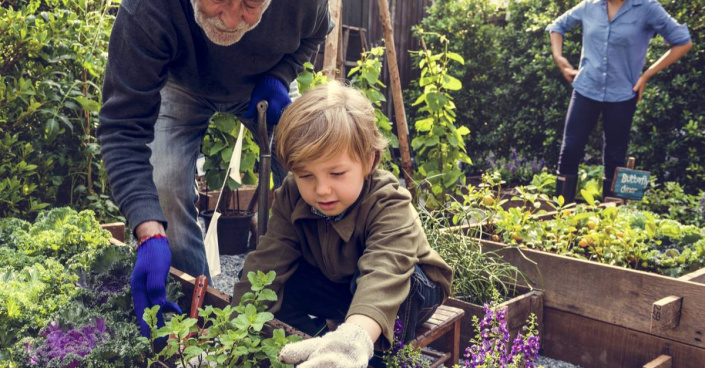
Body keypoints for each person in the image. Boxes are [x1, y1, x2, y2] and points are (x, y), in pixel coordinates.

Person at [97, 0, 332, 338]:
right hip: (182, 85)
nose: (233, 20)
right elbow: (123, 125)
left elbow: (316, 32)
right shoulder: (147, 10)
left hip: (264, 81)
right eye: (221, 0)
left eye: (250, 5)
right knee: (165, 186)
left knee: (314, 170)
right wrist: (147, 229)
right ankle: (200, 318)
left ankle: (316, 303)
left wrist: (279, 77)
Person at [231, 81, 453, 368]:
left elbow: (384, 272)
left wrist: (354, 338)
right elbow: (269, 259)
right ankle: (318, 348)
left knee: (401, 286)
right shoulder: (292, 194)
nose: (322, 189)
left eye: (336, 173)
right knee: (266, 284)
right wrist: (232, 335)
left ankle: (360, 354)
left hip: (407, 287)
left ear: (369, 160)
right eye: (306, 175)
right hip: (342, 282)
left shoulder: (389, 201)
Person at [547, 0, 692, 202]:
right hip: (586, 88)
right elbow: (557, 26)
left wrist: (647, 75)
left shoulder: (647, 8)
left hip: (623, 93)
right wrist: (559, 57)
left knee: (615, 157)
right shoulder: (590, 5)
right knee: (570, 148)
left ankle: (610, 222)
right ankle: (559, 216)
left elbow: (683, 41)